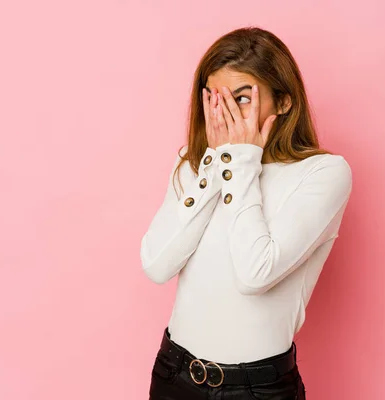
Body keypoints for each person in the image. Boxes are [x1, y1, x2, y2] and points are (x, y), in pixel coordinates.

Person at [140, 26, 352, 400]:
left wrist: (241, 161)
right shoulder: (195, 165)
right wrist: (215, 165)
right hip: (174, 376)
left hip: (257, 390)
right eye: (215, 100)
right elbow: (157, 264)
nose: (225, 114)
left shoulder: (323, 174)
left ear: (284, 102)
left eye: (241, 98)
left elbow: (255, 273)